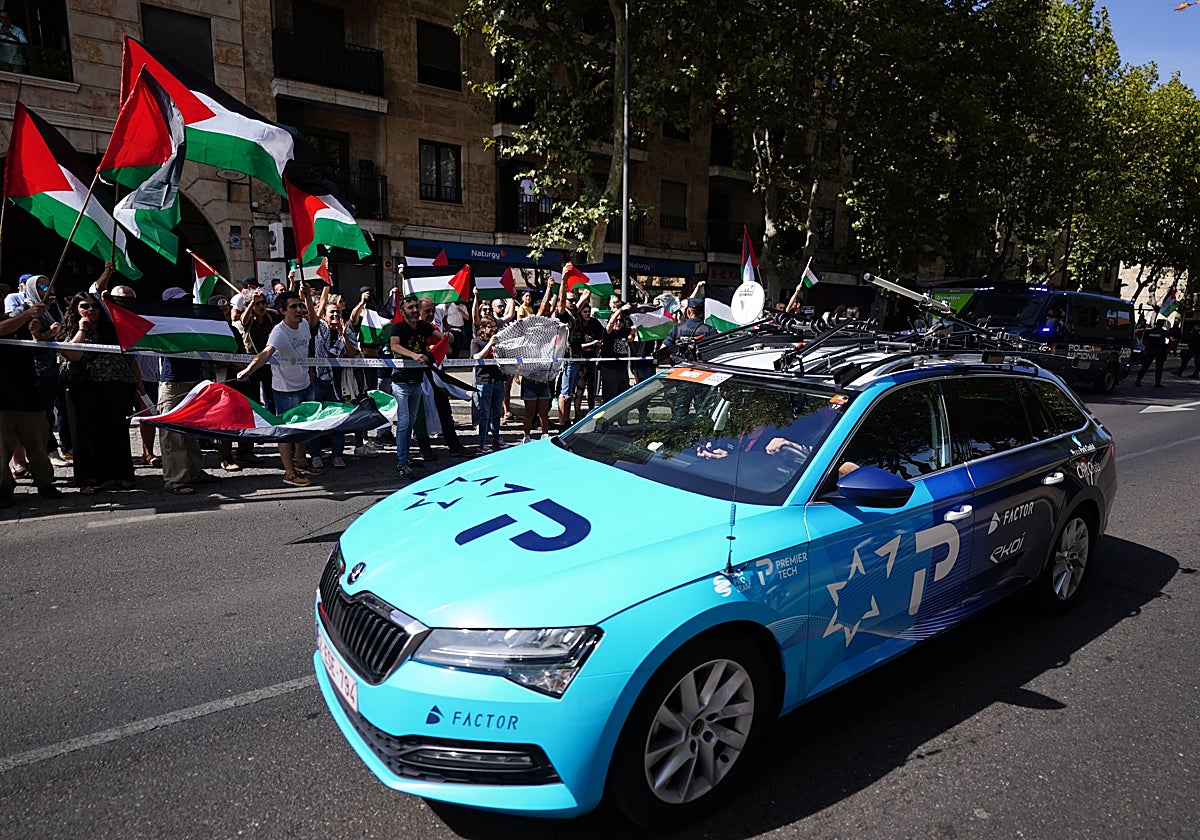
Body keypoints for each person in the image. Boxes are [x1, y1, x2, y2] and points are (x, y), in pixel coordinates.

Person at [55, 287, 142, 494]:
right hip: (84, 388)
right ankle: (89, 479)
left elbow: (129, 358)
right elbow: (73, 355)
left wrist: (139, 385)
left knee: (116, 432)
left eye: (94, 306)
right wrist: (82, 330)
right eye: (84, 306)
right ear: (75, 310)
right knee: (86, 434)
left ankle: (120, 475)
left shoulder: (111, 330)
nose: (91, 310)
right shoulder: (69, 330)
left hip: (116, 387)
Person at [236, 289, 322, 486]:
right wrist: (248, 371)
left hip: (305, 385)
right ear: (282, 310)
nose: (299, 310)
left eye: (300, 306)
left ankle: (300, 460)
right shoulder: (279, 332)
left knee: (302, 427)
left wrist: (309, 373)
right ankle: (289, 472)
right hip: (285, 390)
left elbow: (307, 350)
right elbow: (266, 354)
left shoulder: (304, 326)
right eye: (294, 307)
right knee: (285, 431)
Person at [0, 300, 62, 507]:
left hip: (27, 394)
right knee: (1, 450)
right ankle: (4, 488)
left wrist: (37, 333)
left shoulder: (18, 323)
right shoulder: (15, 321)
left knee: (38, 444)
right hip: (2, 400)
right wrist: (27, 314)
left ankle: (45, 483)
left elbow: (40, 350)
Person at [156, 288, 219, 493]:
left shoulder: (192, 322)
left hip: (193, 380)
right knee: (172, 432)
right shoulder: (163, 323)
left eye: (186, 300)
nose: (184, 304)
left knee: (191, 429)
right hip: (172, 381)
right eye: (179, 301)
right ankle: (176, 478)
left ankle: (194, 471)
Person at [387, 295, 444, 479]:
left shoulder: (423, 326)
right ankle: (401, 463)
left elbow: (441, 338)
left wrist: (447, 337)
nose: (413, 311)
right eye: (409, 308)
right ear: (402, 312)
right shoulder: (399, 328)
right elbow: (394, 346)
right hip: (401, 383)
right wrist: (413, 355)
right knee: (404, 423)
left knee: (410, 422)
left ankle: (406, 457)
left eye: (415, 307)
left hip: (417, 382)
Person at [308, 298, 359, 469]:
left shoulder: (347, 331)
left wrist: (343, 335)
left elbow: (352, 355)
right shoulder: (318, 329)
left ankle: (337, 455)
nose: (336, 314)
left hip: (336, 383)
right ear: (324, 316)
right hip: (317, 380)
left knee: (338, 419)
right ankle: (316, 455)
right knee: (314, 419)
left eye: (338, 312)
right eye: (332, 312)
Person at [470, 319, 506, 452]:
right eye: (491, 327)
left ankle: (496, 438)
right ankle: (482, 442)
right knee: (484, 414)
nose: (493, 330)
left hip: (497, 380)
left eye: (495, 327)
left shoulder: (497, 342)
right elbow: (476, 357)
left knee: (497, 413)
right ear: (483, 328)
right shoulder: (476, 342)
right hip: (483, 382)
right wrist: (489, 344)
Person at [1135, 319, 1170, 388]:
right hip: (1160, 351)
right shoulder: (1164, 332)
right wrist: (1168, 348)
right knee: (1159, 367)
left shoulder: (1150, 331)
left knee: (1145, 366)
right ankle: (1157, 383)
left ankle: (1138, 380)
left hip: (1150, 350)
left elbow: (1144, 341)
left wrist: (1148, 346)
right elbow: (1171, 339)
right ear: (1163, 325)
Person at [0, 9, 27, 74]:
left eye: (6, 18)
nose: (4, 20)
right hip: (2, 60)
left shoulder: (18, 30)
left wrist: (12, 36)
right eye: (2, 17)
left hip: (16, 61)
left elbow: (25, 44)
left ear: (10, 18)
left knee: (16, 81)